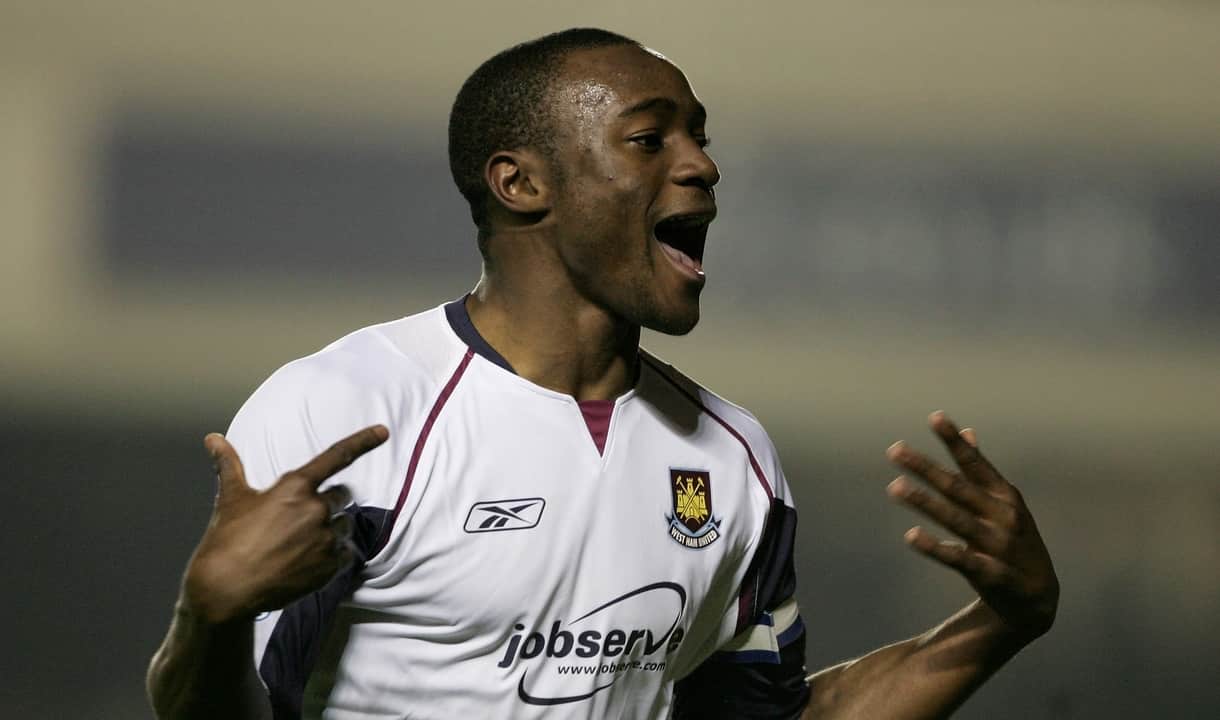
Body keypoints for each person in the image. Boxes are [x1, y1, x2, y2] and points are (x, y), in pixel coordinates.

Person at [146, 28, 1058, 719]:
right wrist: (208, 619)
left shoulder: (736, 457)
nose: (703, 166)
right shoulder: (349, 410)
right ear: (521, 183)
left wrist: (1004, 621)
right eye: (648, 140)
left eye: (697, 137)